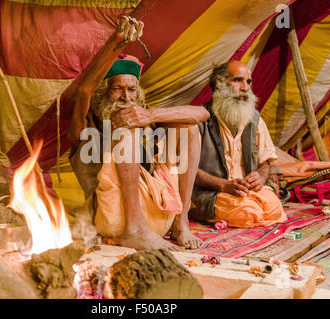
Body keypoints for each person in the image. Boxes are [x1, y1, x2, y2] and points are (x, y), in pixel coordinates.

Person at [67, 16, 209, 250]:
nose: (126, 97)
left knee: (189, 129)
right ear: (104, 92)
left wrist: (151, 116)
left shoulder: (146, 124)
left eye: (131, 90)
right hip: (115, 220)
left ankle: (181, 223)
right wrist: (119, 42)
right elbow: (84, 89)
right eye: (117, 89)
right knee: (125, 133)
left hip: (159, 214)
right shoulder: (85, 130)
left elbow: (202, 113)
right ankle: (135, 230)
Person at [190, 61, 287, 228]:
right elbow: (187, 169)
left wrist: (260, 178)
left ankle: (248, 209)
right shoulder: (201, 120)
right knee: (249, 213)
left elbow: (265, 164)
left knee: (275, 208)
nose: (245, 88)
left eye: (248, 82)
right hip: (212, 193)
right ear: (219, 84)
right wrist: (224, 185)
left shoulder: (254, 119)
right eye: (238, 80)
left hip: (246, 192)